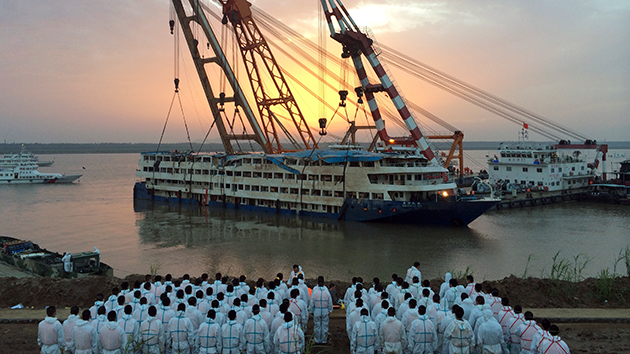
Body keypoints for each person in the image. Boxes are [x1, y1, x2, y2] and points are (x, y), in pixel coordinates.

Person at [309, 276, 334, 344]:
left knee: (317, 326)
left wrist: (311, 310)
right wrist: (330, 310)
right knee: (324, 326)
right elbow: (330, 301)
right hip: (325, 310)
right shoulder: (326, 290)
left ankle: (317, 340)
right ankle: (324, 340)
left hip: (317, 310)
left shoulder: (315, 290)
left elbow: (312, 302)